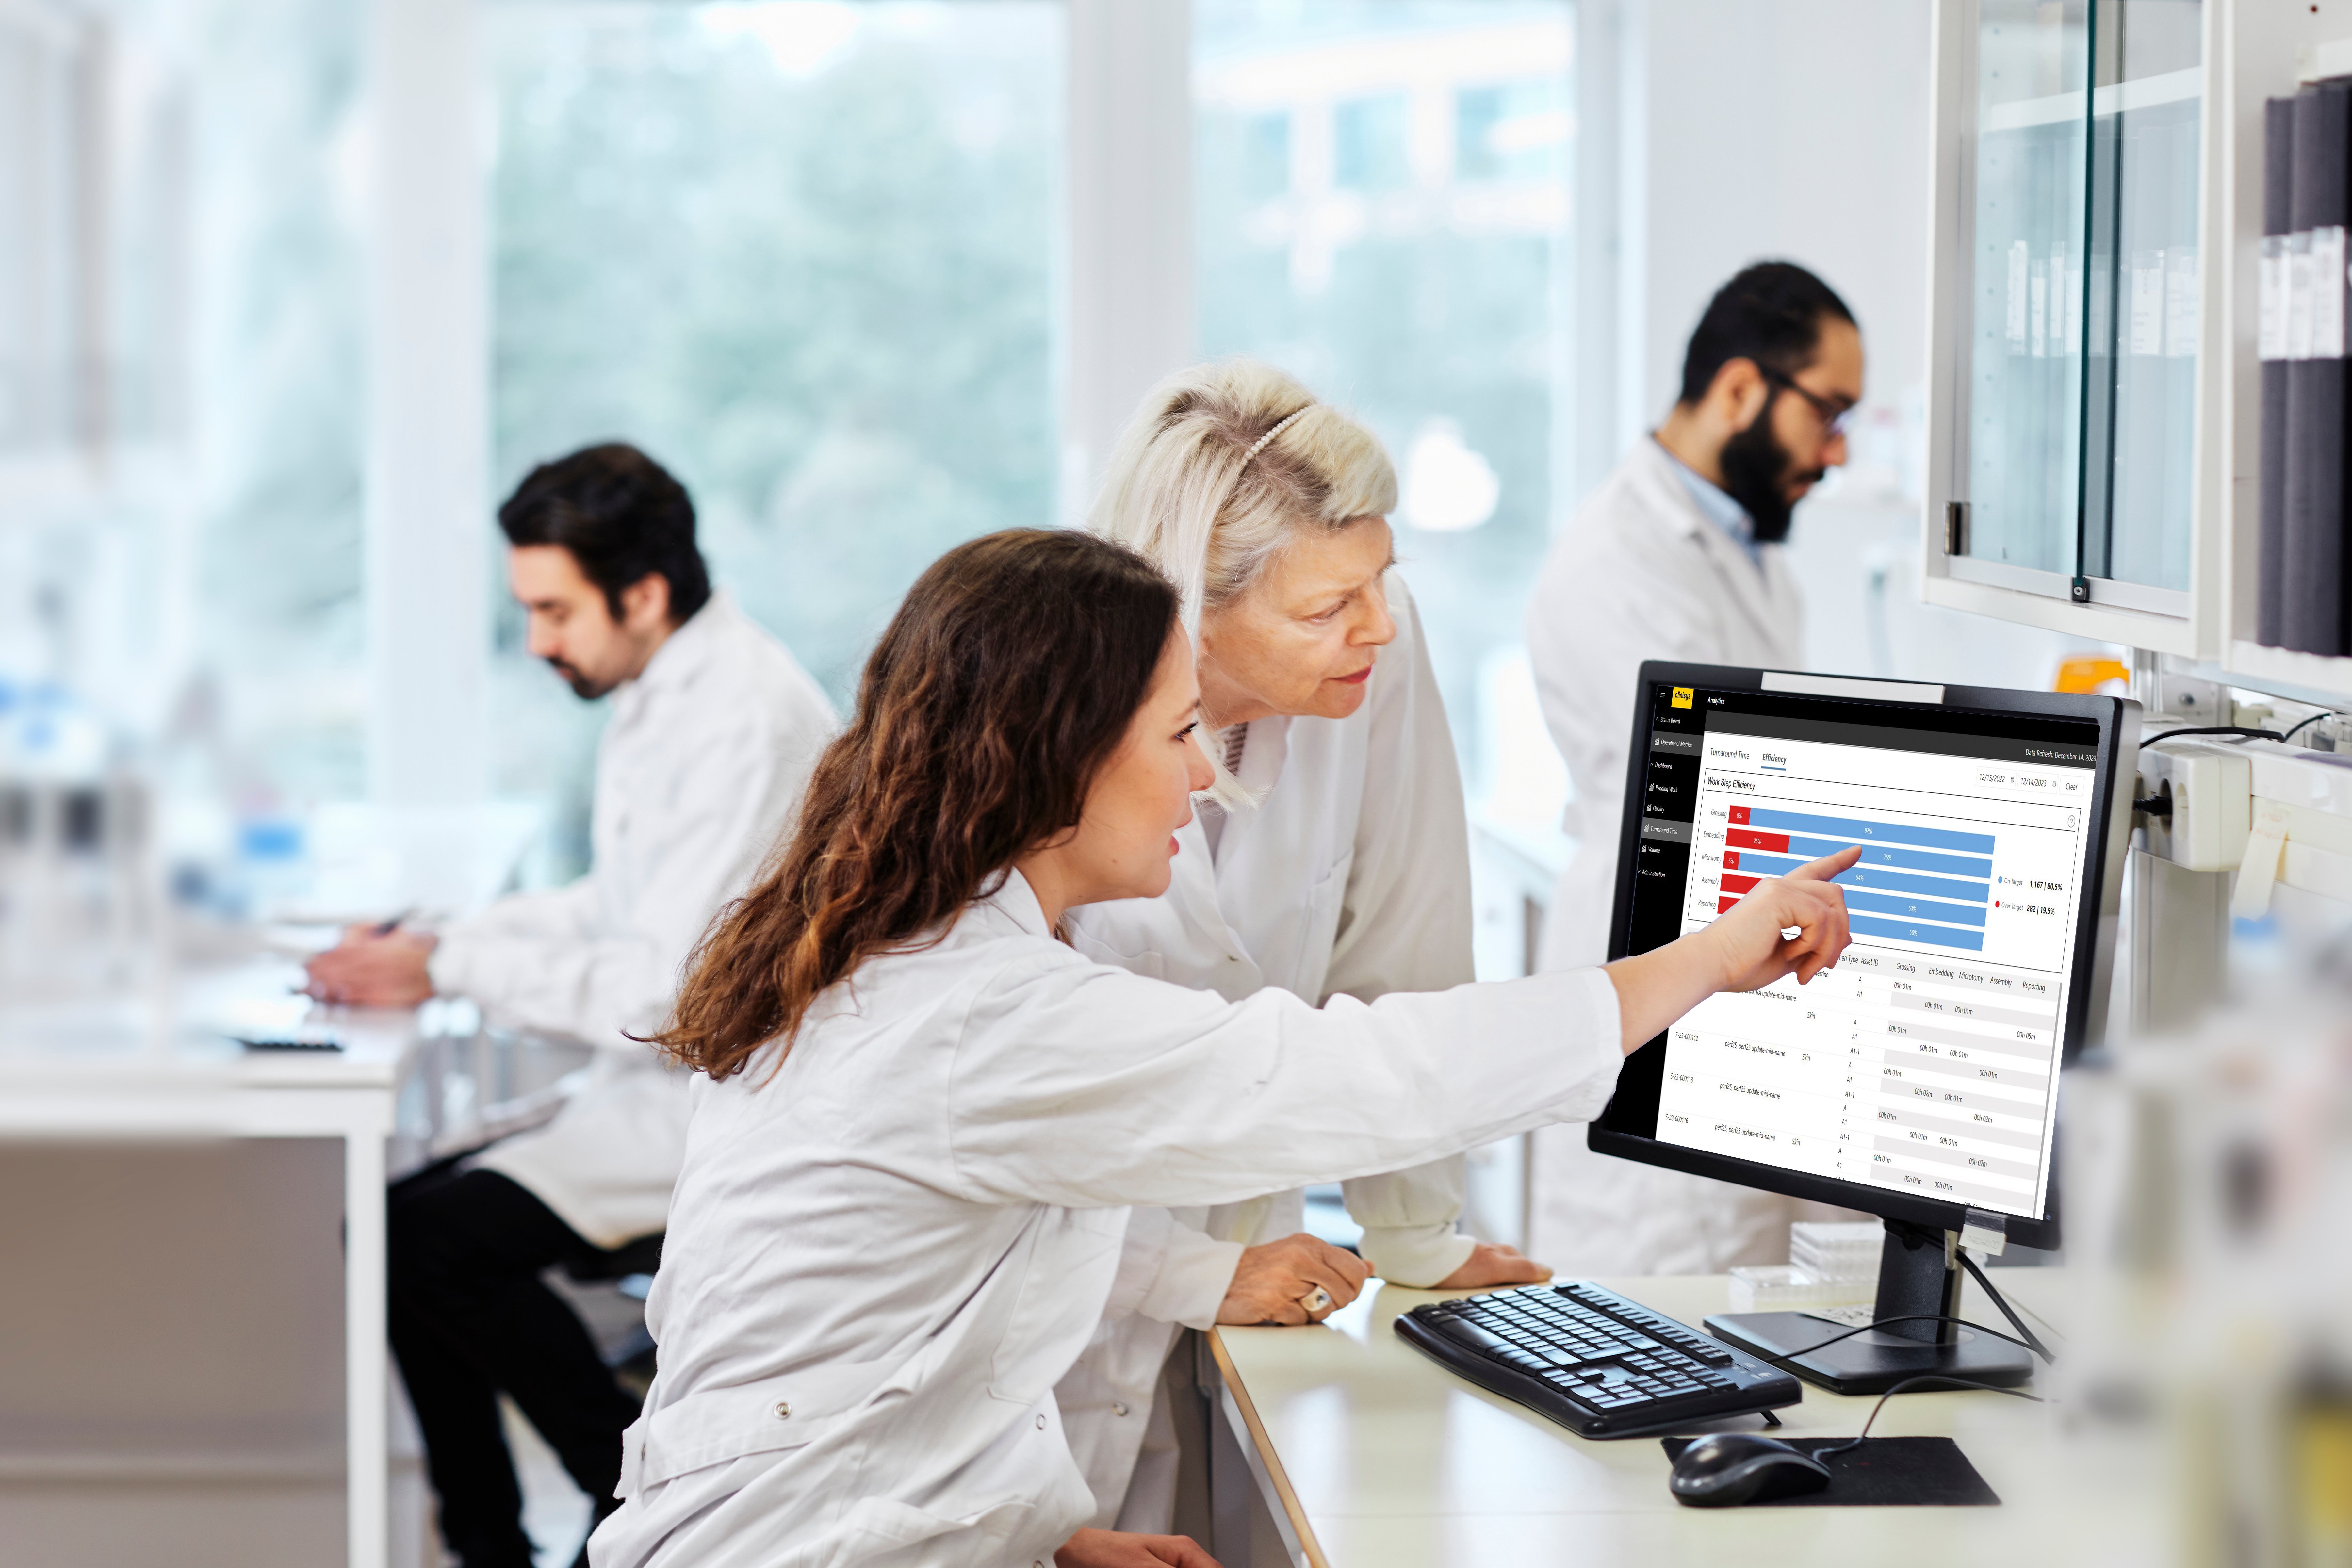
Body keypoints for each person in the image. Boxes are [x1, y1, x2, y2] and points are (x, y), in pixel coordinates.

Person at [588, 527, 1856, 1568]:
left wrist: (1051, 1534)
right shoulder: (981, 1011)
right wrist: (1706, 961)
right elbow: (1361, 1077)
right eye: (1178, 731)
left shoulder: (913, 952)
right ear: (1060, 759)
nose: (1205, 775)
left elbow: (889, 1348)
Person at [304, 443, 838, 1568]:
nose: (540, 641)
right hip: (656, 1086)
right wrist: (440, 946)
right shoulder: (668, 690)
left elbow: (668, 991)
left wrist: (446, 973)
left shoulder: (743, 716)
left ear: (642, 593)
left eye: (554, 611)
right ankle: (496, 1540)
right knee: (395, 1227)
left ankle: (629, 1501)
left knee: (419, 1245)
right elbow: (625, 905)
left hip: (728, 1104)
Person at [1056, 359, 1545, 1533]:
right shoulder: (1043, 711)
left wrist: (1416, 1231)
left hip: (1255, 1270)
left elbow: (1404, 948)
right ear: (1186, 613)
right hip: (1055, 1316)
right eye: (1326, 609)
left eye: (1383, 581)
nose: (1374, 626)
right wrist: (1176, 1271)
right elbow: (990, 1101)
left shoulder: (1370, 648)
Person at [1524, 260, 1864, 1277]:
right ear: (1740, 390)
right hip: (1656, 983)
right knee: (1650, 1320)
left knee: (1759, 1318)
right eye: (1830, 411)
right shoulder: (1613, 562)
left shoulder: (1752, 563)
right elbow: (1728, 787)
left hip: (1739, 983)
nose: (1838, 450)